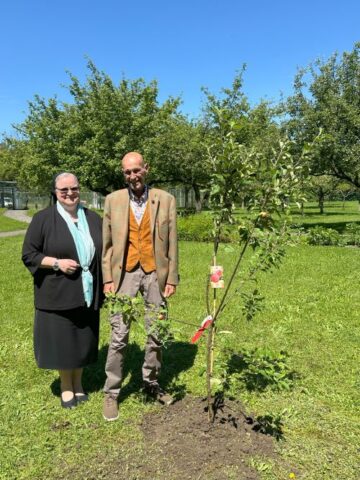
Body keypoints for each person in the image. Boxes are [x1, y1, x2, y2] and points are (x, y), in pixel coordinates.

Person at [102, 151, 179, 421]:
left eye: (136, 170)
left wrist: (172, 277)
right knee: (119, 334)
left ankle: (151, 384)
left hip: (155, 271)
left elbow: (172, 243)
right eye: (127, 172)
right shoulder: (113, 200)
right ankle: (111, 392)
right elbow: (107, 245)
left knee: (156, 330)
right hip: (123, 273)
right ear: (123, 174)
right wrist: (108, 279)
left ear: (146, 169)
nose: (132, 176)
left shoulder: (165, 199)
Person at [22, 173, 103, 409]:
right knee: (63, 342)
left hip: (86, 291)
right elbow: (29, 254)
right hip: (57, 293)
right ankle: (66, 387)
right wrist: (57, 263)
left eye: (74, 188)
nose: (70, 193)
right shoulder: (43, 219)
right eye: (63, 190)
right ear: (55, 193)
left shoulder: (92, 218)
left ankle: (78, 383)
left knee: (82, 341)